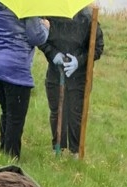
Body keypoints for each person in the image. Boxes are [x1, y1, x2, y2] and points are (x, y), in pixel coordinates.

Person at [0, 0, 48, 160]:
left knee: (7, 111)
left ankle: (2, 153)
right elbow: (37, 36)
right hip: (15, 69)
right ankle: (11, 161)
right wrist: (46, 26)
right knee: (16, 118)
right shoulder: (28, 4)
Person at [39, 6, 103, 156]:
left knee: (75, 113)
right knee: (57, 111)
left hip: (79, 76)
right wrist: (53, 54)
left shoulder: (87, 18)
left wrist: (79, 61)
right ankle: (58, 148)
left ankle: (75, 152)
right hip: (56, 72)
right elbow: (40, 38)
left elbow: (97, 47)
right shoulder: (50, 14)